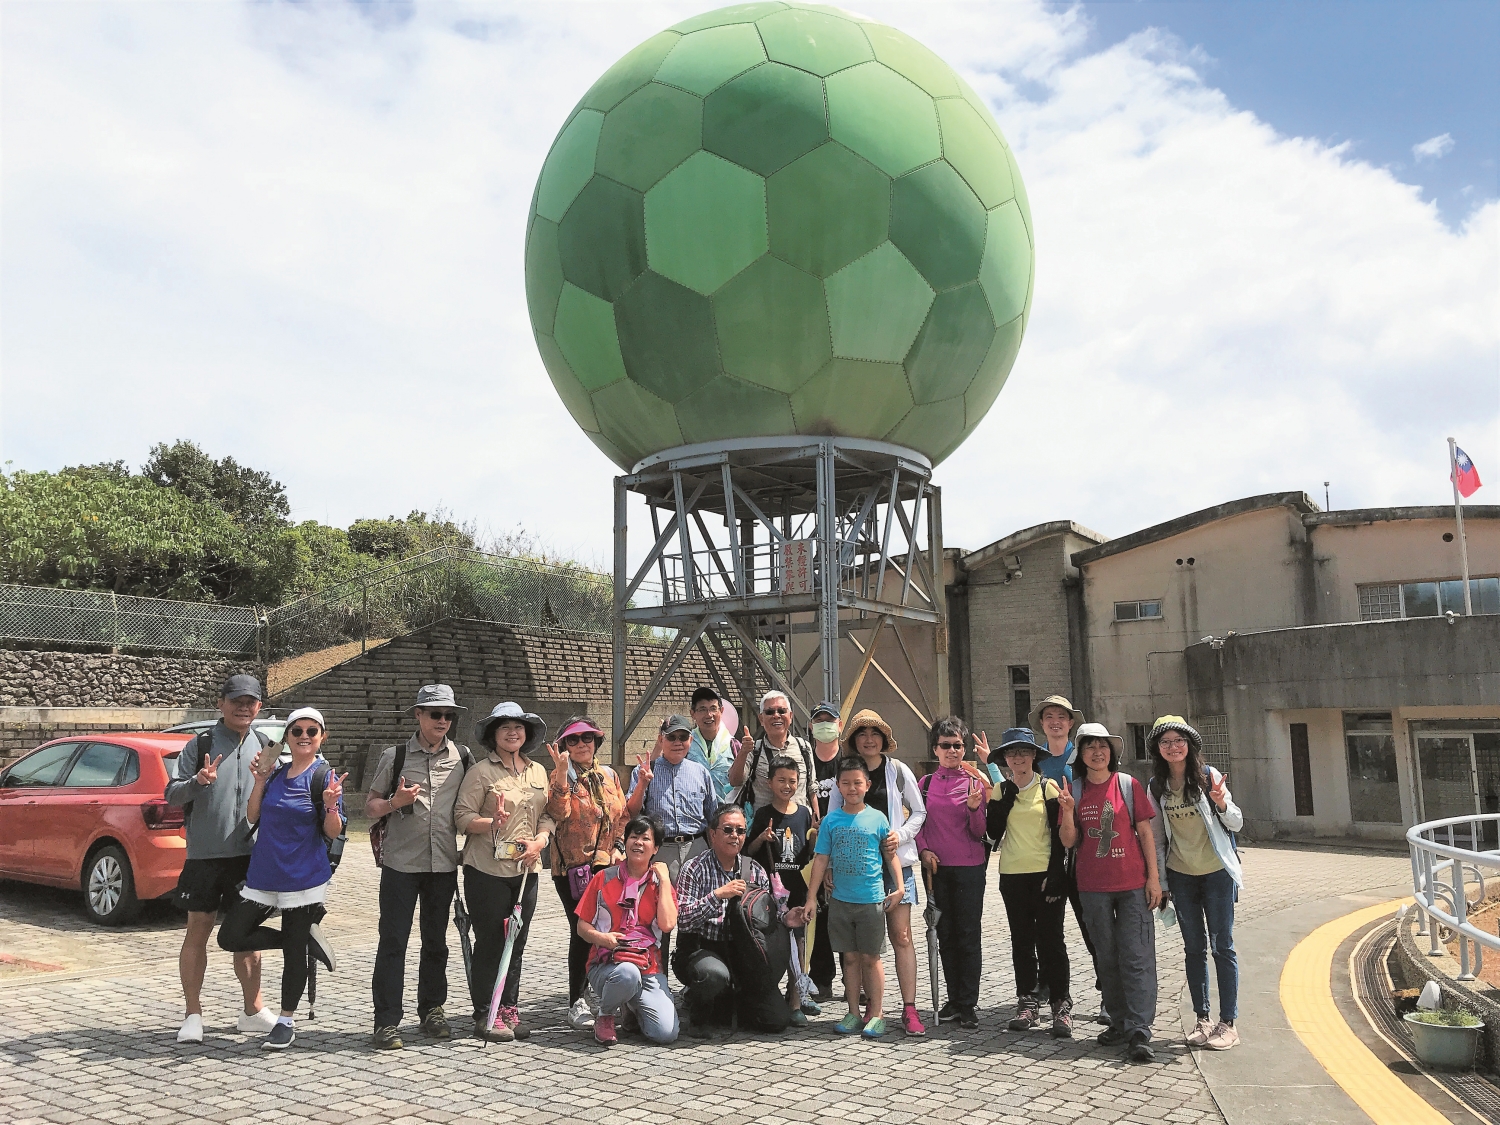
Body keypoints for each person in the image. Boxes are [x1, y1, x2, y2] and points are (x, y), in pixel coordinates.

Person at [217, 706, 345, 1049]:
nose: (304, 736)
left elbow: (333, 831)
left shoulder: (323, 778)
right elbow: (252, 815)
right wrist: (259, 780)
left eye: (311, 731)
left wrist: (331, 805)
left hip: (304, 877)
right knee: (231, 936)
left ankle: (286, 1021)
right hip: (264, 873)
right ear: (287, 737)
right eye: (297, 731)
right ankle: (303, 940)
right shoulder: (275, 774)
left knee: (292, 956)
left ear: (322, 737)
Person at [166, 673, 278, 1044]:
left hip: (249, 857)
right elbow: (172, 795)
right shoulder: (199, 744)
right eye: (237, 700)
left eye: (251, 701)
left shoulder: (266, 745)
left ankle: (253, 1010)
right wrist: (198, 781)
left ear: (260, 706)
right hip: (205, 856)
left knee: (246, 936)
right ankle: (192, 1014)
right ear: (222, 703)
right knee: (198, 929)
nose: (244, 707)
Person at [364, 684, 473, 1050]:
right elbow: (371, 808)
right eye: (435, 714)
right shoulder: (394, 756)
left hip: (442, 864)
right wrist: (395, 801)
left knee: (435, 942)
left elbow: (470, 809)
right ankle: (386, 1022)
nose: (442, 721)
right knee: (393, 942)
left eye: (448, 715)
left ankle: (432, 1010)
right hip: (400, 865)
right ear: (418, 715)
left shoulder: (463, 758)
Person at [1058, 722, 1162, 1063]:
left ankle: (1139, 1031)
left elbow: (1146, 833)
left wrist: (1154, 880)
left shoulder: (1128, 785)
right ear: (1081, 755)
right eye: (1090, 747)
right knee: (1107, 957)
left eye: (1103, 746)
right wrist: (1069, 811)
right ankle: (1118, 1022)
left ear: (1112, 752)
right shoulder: (1073, 789)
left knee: (1137, 957)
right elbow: (1069, 842)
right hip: (1092, 887)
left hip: (1132, 885)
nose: (1097, 752)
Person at [455, 702, 554, 1043]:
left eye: (518, 727)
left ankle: (509, 1007)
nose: (513, 732)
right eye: (504, 727)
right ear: (493, 735)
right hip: (487, 869)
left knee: (518, 940)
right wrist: (490, 822)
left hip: (526, 869)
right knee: (491, 942)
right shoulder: (481, 772)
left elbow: (548, 814)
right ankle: (486, 1010)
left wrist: (541, 840)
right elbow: (462, 816)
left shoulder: (539, 772)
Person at [827, 708, 928, 1036]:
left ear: (884, 738)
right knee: (858, 944)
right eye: (862, 733)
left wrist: (903, 834)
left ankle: (909, 1009)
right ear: (854, 740)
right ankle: (868, 1009)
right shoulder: (844, 774)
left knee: (901, 937)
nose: (868, 739)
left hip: (896, 864)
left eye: (874, 733)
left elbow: (919, 810)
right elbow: (832, 821)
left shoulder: (898, 771)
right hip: (855, 868)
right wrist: (829, 864)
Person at [1146, 715, 1243, 1052]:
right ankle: (1202, 1019)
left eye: (1178, 740)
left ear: (1190, 745)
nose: (1173, 747)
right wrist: (1159, 880)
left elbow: (1236, 821)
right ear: (1158, 749)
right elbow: (1157, 839)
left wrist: (1220, 802)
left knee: (1222, 946)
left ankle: (1228, 1023)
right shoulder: (1156, 787)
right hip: (1182, 876)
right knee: (1193, 948)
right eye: (1165, 742)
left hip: (1216, 873)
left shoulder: (1208, 777)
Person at [673, 804, 813, 1037]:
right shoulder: (693, 868)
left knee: (776, 1020)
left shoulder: (755, 870)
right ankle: (698, 1014)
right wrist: (717, 895)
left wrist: (786, 918)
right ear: (712, 834)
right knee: (714, 975)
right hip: (703, 949)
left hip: (745, 955)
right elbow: (684, 919)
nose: (734, 836)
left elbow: (768, 917)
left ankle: (733, 1003)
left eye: (740, 831)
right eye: (727, 830)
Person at [805, 758, 905, 1039]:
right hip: (840, 900)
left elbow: (890, 855)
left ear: (867, 786)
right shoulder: (831, 821)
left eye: (857, 783)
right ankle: (853, 1012)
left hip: (871, 900)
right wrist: (812, 897)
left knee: (871, 958)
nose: (852, 788)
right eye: (846, 783)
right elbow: (821, 858)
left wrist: (899, 887)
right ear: (838, 786)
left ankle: (878, 1013)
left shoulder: (878, 818)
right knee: (849, 959)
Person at [985, 728, 1072, 1038]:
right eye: (1011, 753)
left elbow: (1060, 841)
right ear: (1005, 758)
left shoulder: (1048, 788)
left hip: (1045, 875)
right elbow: (993, 833)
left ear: (1035, 755)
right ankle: (1028, 1002)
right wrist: (1001, 803)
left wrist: (1057, 876)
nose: (1018, 758)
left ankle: (1061, 1004)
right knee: (1021, 942)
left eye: (1024, 751)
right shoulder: (999, 790)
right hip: (1011, 875)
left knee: (1051, 941)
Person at [546, 715, 627, 1032]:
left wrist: (619, 844)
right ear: (564, 745)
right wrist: (563, 776)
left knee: (605, 926)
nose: (581, 744)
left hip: (607, 866)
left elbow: (622, 814)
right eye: (574, 740)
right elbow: (557, 813)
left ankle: (604, 990)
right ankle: (576, 1000)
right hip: (572, 869)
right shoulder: (558, 777)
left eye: (587, 739)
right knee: (582, 930)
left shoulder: (608, 775)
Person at [915, 717, 991, 1029]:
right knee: (944, 936)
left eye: (957, 745)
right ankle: (953, 998)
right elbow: (917, 825)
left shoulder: (976, 782)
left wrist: (975, 809)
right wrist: (923, 850)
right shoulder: (925, 785)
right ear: (935, 749)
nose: (951, 750)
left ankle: (968, 1003)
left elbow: (981, 832)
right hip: (936, 870)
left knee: (968, 936)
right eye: (945, 745)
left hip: (970, 869)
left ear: (964, 748)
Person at [576, 814, 680, 1046]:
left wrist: (664, 881)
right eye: (634, 837)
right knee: (627, 974)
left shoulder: (660, 883)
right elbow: (582, 927)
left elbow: (667, 925)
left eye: (646, 838)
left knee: (665, 1033)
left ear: (656, 848)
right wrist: (602, 938)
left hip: (648, 967)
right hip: (608, 964)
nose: (638, 843)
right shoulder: (604, 878)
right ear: (626, 841)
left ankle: (632, 1005)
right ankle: (605, 1016)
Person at [747, 757, 819, 1026]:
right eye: (781, 780)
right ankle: (769, 993)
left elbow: (808, 855)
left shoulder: (802, 813)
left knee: (799, 941)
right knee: (773, 940)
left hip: (797, 887)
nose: (787, 785)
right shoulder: (764, 813)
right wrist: (761, 839)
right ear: (769, 783)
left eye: (792, 780)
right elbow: (748, 852)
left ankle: (796, 998)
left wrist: (813, 839)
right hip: (769, 891)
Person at [626, 714, 718, 880]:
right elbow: (632, 813)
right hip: (661, 850)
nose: (677, 742)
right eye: (671, 737)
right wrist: (642, 784)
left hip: (697, 848)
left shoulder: (701, 773)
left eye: (683, 737)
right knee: (662, 903)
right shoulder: (644, 771)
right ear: (661, 740)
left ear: (690, 740)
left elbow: (713, 817)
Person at [806, 701, 843, 1000]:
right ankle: (822, 979)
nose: (824, 725)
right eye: (818, 720)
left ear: (840, 725)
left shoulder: (848, 759)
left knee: (844, 912)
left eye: (829, 720)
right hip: (811, 847)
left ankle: (854, 980)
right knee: (818, 911)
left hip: (845, 846)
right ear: (810, 726)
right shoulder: (806, 759)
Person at [728, 690, 817, 815]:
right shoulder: (754, 750)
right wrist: (743, 753)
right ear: (761, 719)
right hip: (763, 827)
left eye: (781, 711)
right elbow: (735, 781)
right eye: (770, 712)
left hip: (800, 824)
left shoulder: (804, 747)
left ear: (790, 716)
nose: (776, 715)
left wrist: (816, 819)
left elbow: (811, 788)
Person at [686, 687, 736, 799]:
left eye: (713, 708)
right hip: (695, 813)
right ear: (693, 714)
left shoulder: (734, 746)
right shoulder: (685, 744)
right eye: (702, 709)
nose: (709, 715)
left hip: (726, 813)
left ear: (721, 711)